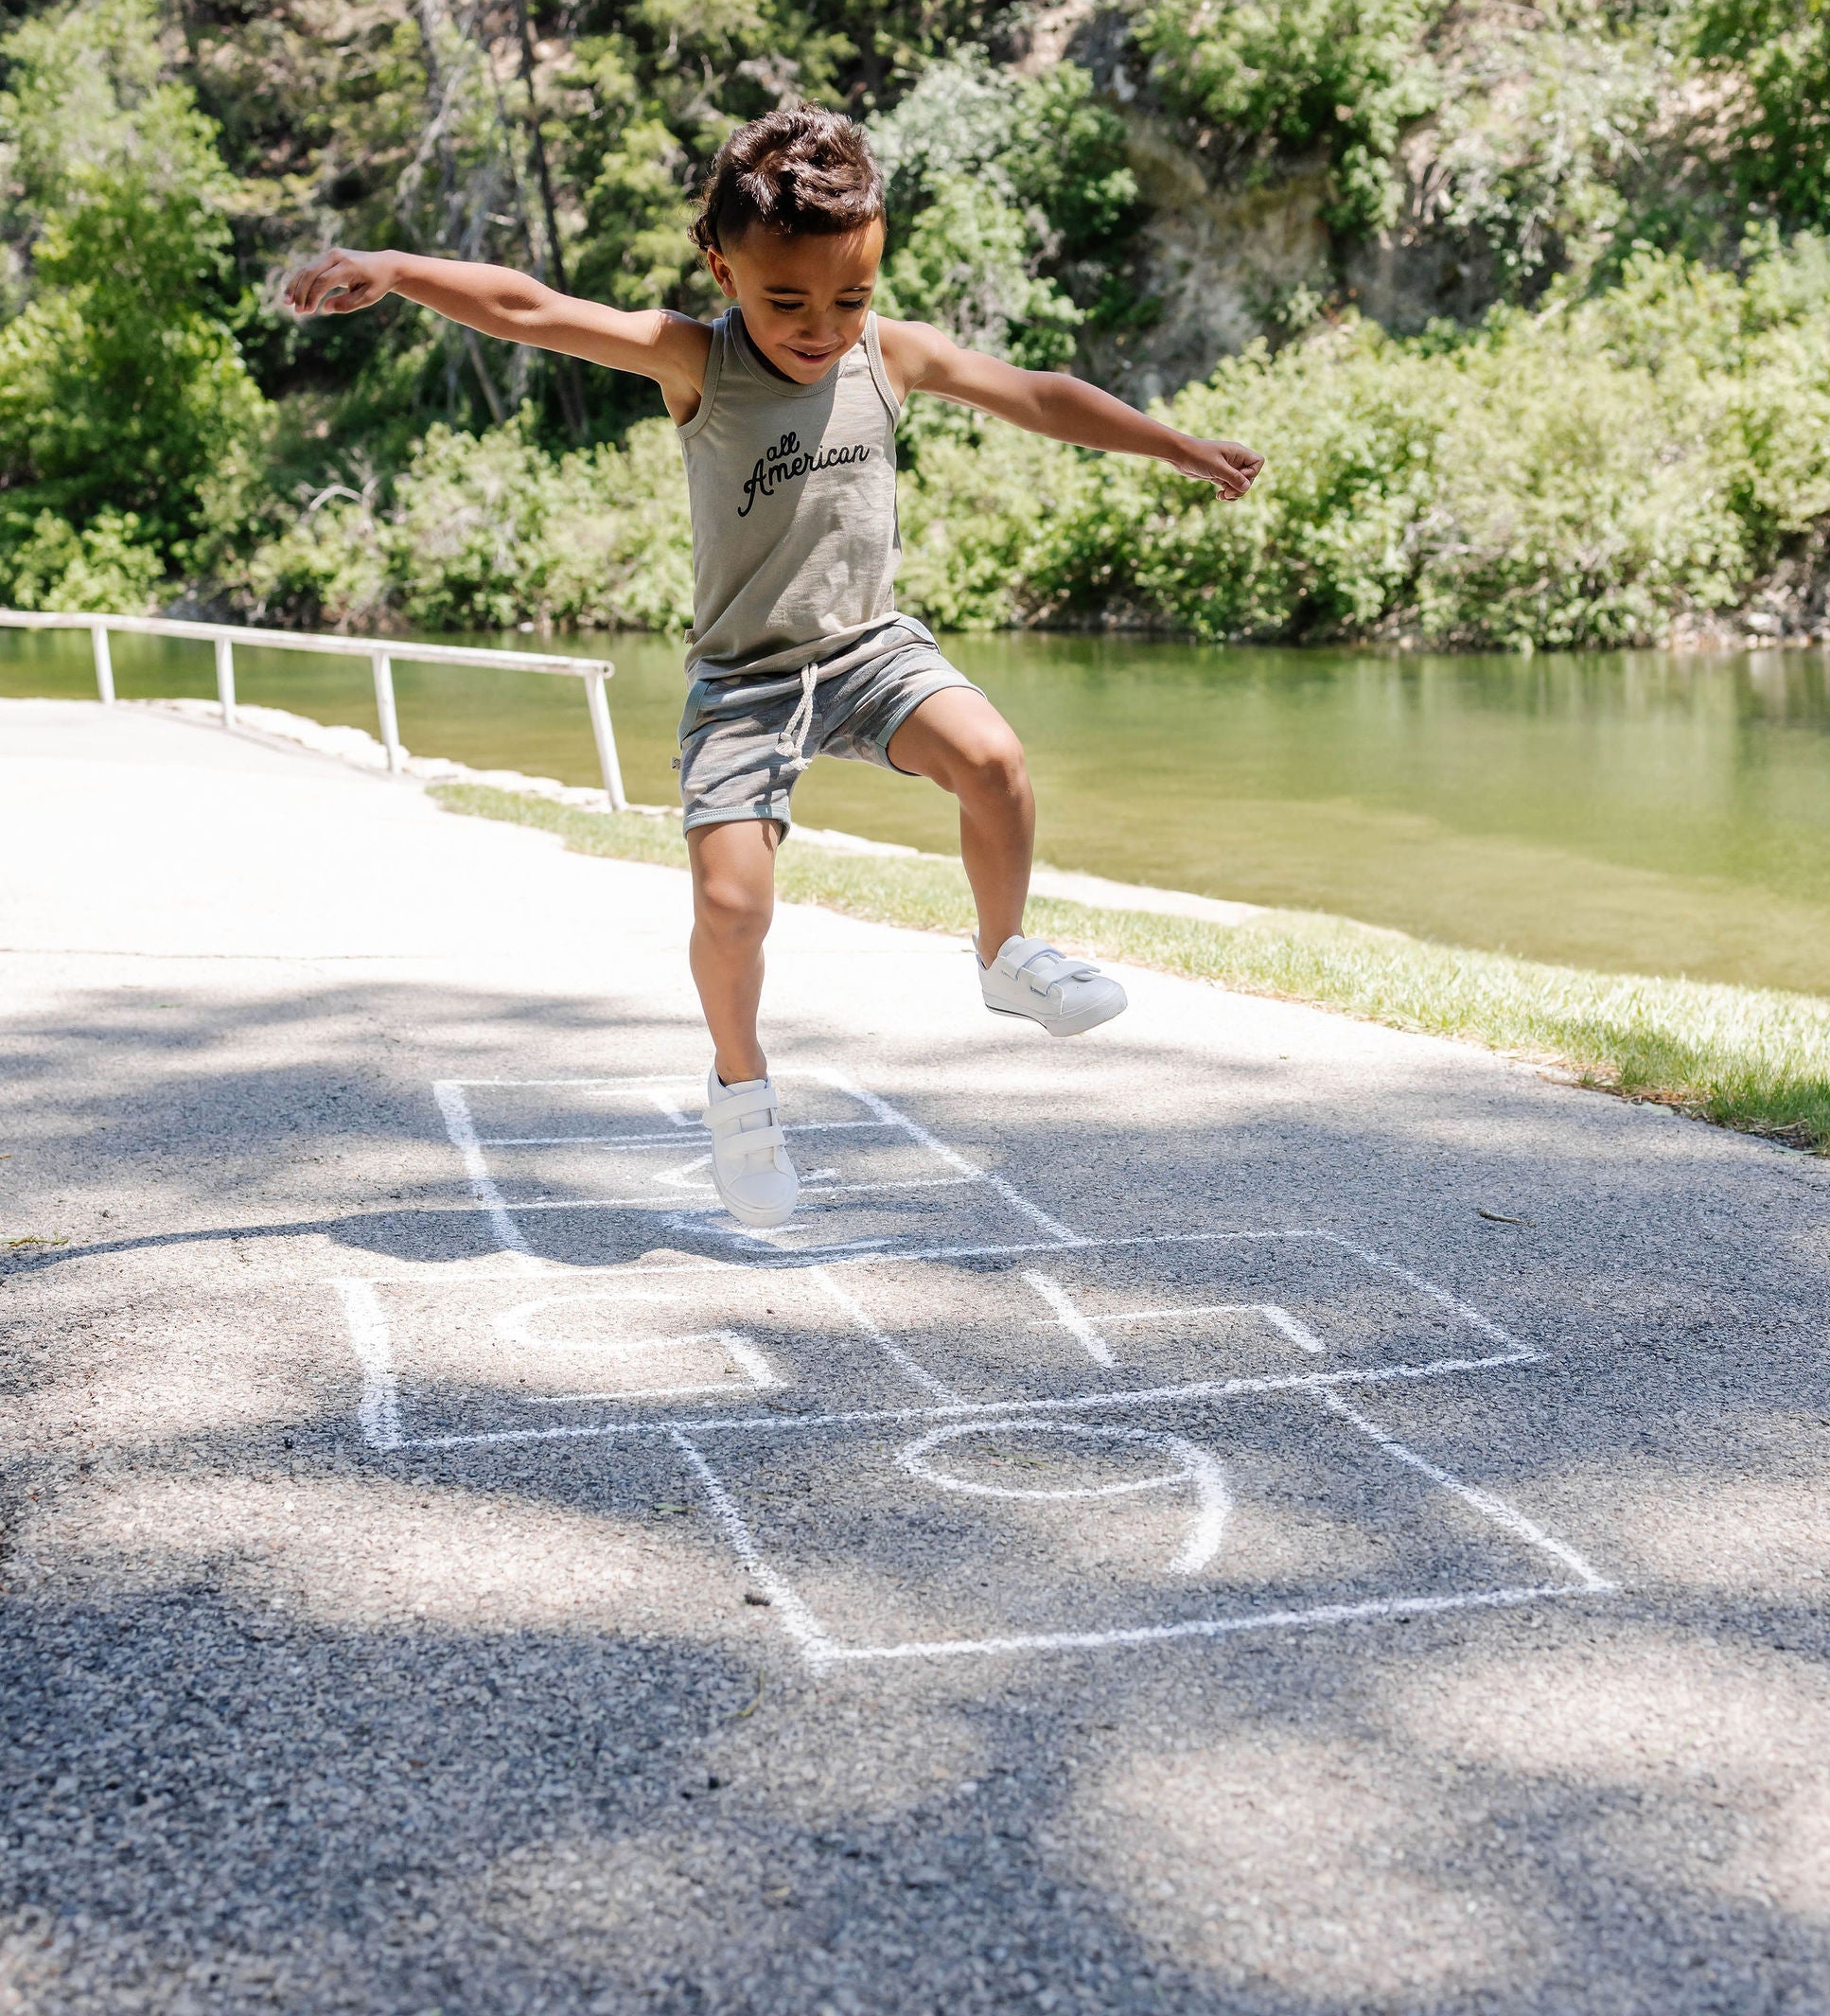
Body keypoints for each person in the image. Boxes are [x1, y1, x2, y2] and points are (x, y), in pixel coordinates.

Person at [284, 107, 1262, 1230]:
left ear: (876, 268)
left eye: (846, 298)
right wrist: (396, 269)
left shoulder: (889, 354)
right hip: (746, 678)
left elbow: (1033, 390)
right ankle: (740, 1095)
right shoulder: (694, 357)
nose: (818, 326)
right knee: (731, 903)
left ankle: (1003, 954)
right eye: (783, 299)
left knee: (992, 756)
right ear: (721, 266)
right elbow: (530, 308)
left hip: (868, 651)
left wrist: (1173, 443)